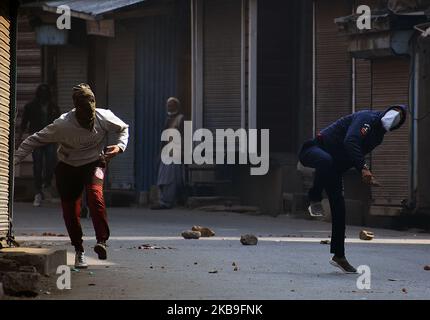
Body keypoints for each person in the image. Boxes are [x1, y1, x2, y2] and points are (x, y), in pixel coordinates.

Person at [15, 83, 129, 269]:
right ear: (76, 108)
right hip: (69, 167)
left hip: (95, 163)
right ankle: (79, 249)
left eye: (90, 108)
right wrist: (15, 159)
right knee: (70, 210)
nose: (88, 115)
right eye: (83, 111)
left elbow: (124, 128)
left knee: (95, 196)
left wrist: (119, 147)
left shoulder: (103, 116)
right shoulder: (62, 124)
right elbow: (33, 140)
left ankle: (102, 241)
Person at [298, 105, 407, 273]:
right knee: (325, 160)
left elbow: (354, 155)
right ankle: (314, 197)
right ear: (387, 111)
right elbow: (351, 141)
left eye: (398, 121)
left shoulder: (378, 137)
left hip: (334, 168)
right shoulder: (366, 118)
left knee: (340, 209)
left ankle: (338, 256)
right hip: (313, 149)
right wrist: (363, 167)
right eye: (394, 114)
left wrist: (364, 172)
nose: (393, 119)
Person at [19, 84, 60, 207]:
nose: (43, 95)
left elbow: (59, 123)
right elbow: (24, 123)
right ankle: (38, 191)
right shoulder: (31, 106)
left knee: (50, 163)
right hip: (36, 139)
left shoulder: (53, 107)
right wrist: (19, 139)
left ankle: (46, 185)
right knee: (37, 165)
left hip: (50, 139)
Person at [151, 97, 186, 210]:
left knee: (171, 178)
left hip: (176, 152)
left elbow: (184, 136)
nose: (169, 107)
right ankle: (163, 200)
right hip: (166, 153)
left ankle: (168, 201)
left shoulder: (181, 119)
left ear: (177, 106)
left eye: (171, 105)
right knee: (162, 177)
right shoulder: (168, 119)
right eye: (168, 105)